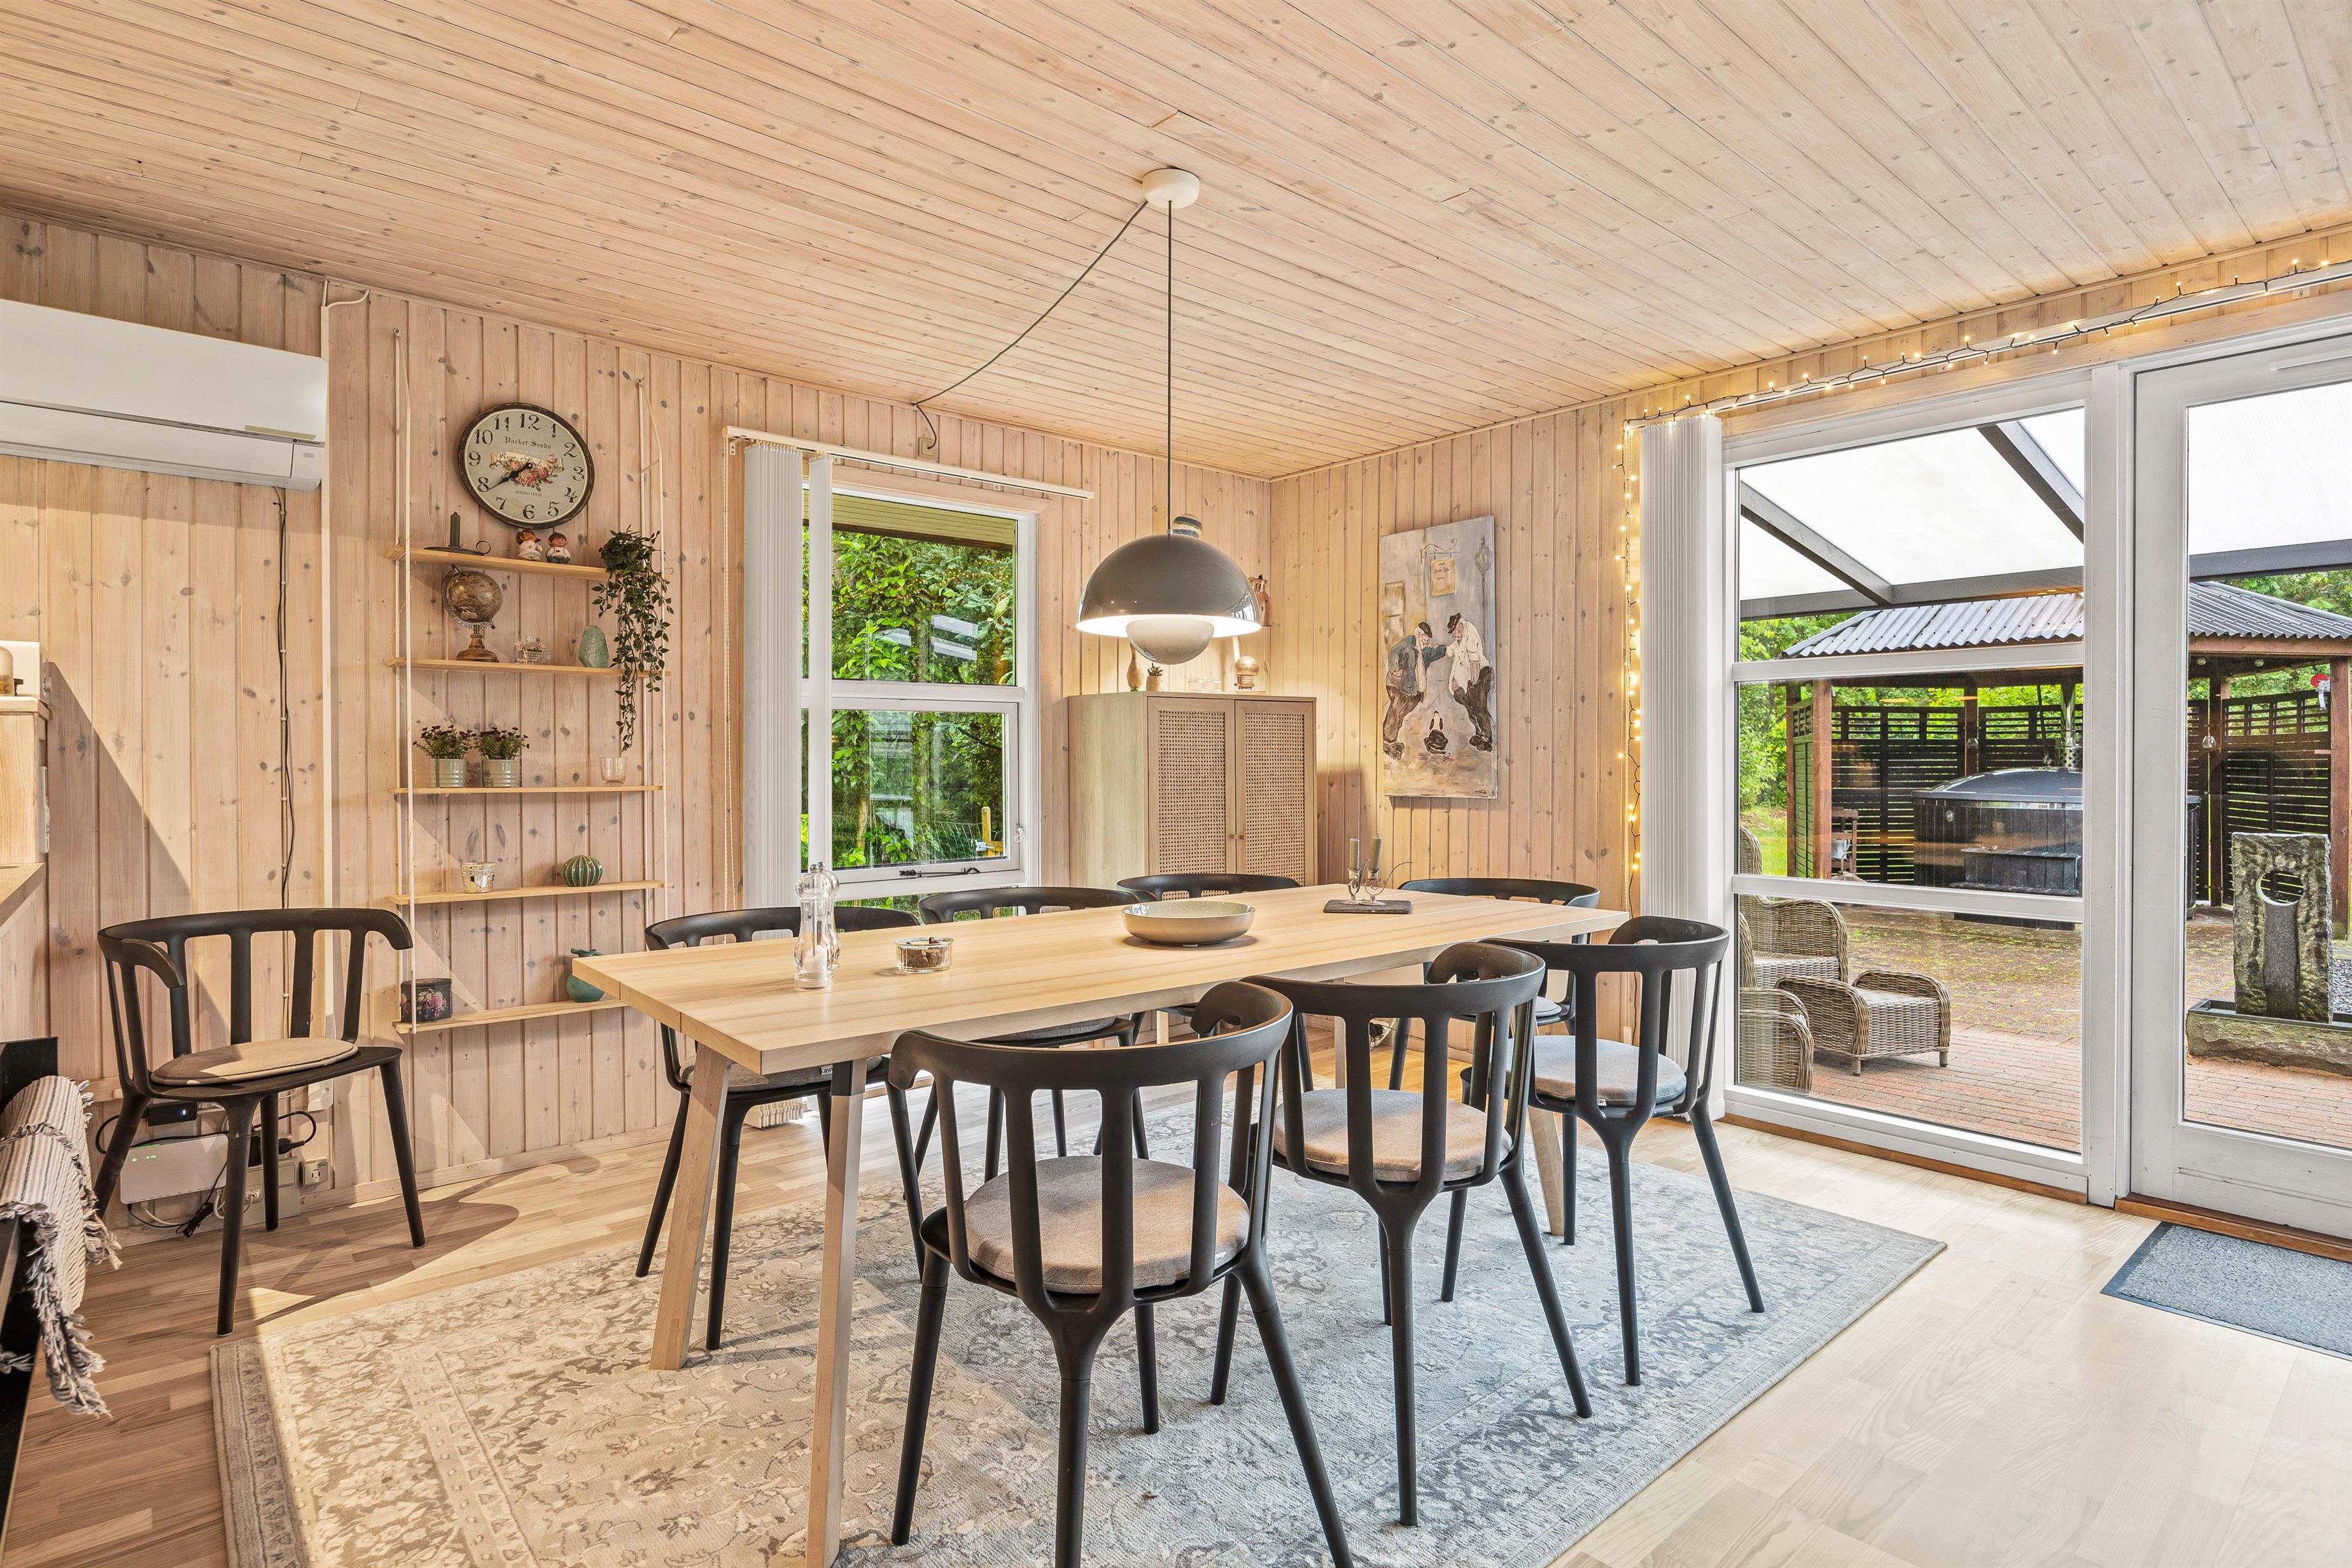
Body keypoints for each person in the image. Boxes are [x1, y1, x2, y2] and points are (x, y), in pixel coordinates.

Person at [1382, 622, 1444, 760]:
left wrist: (1446, 649)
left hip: (1411, 690)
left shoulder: (1425, 651)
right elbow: (1394, 652)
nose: (1425, 643)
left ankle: (1390, 740)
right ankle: (1388, 738)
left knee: (1402, 711)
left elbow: (1436, 653)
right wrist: (1394, 668)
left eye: (1427, 641)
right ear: (1419, 635)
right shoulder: (1409, 642)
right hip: (1396, 684)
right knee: (1396, 708)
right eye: (1424, 640)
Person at [1446, 613, 1494, 752]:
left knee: (1479, 707)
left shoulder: (1470, 634)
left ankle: (1487, 736)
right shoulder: (1459, 637)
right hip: (1469, 679)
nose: (1455, 635)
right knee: (1467, 703)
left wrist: (1474, 685)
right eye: (1453, 633)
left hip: (1480, 675)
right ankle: (1480, 732)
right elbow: (1452, 650)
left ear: (1461, 625)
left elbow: (1474, 664)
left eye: (1456, 632)